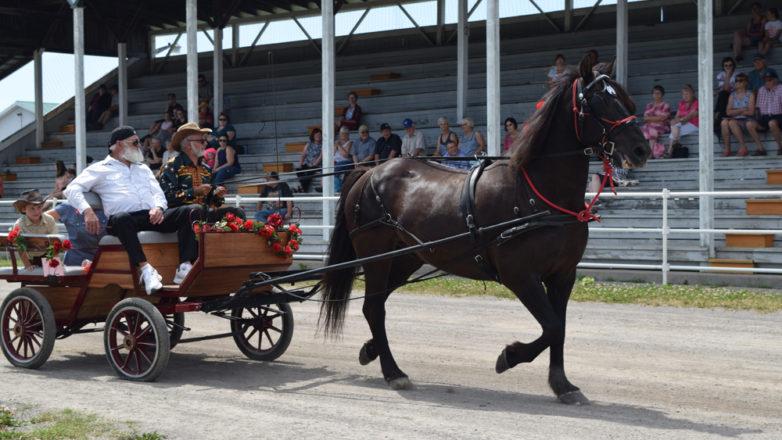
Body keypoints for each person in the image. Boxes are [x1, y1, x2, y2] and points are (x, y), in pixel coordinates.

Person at [64, 126, 202, 294]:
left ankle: (185, 265)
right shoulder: (100, 168)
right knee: (121, 218)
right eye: (135, 142)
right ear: (119, 145)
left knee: (193, 210)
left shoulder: (143, 168)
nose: (140, 146)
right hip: (123, 221)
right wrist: (87, 211)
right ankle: (145, 270)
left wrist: (158, 208)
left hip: (151, 217)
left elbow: (159, 194)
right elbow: (71, 189)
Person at [158, 123, 241, 222]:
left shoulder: (206, 169)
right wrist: (194, 191)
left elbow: (213, 203)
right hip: (180, 217)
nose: (205, 144)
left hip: (202, 214)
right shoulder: (171, 166)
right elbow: (167, 198)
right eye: (201, 141)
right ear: (188, 144)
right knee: (195, 210)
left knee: (237, 212)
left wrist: (217, 195)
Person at [47, 198, 108, 267]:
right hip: (75, 262)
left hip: (107, 261)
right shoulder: (69, 206)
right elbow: (42, 219)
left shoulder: (113, 204)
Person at [12, 190, 58, 270]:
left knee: (55, 276)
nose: (36, 211)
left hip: (49, 255)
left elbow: (54, 243)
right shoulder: (19, 224)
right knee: (33, 276)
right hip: (30, 258)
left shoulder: (49, 220)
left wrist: (52, 262)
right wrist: (27, 265)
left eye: (39, 207)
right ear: (23, 209)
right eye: (32, 208)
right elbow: (20, 247)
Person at [721, 73, 756, 157]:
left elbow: (751, 112)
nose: (738, 82)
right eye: (736, 80)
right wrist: (742, 109)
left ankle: (743, 147)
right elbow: (728, 112)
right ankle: (727, 149)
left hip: (747, 120)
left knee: (731, 122)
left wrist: (735, 111)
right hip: (736, 119)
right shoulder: (732, 95)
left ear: (746, 82)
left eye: (740, 80)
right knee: (723, 123)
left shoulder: (750, 94)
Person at [747, 71, 782, 155]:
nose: (767, 82)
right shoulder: (761, 90)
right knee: (749, 124)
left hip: (779, 116)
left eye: (769, 80)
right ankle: (761, 149)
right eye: (765, 80)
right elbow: (758, 107)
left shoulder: (781, 88)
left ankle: (781, 147)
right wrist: (757, 117)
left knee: (772, 123)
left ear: (775, 80)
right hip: (765, 117)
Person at [667, 84, 699, 158]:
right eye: (683, 94)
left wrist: (679, 120)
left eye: (687, 94)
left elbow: (690, 116)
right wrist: (675, 120)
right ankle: (675, 145)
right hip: (683, 124)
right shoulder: (681, 103)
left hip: (694, 125)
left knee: (673, 131)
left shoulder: (696, 103)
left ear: (692, 94)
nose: (685, 96)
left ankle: (670, 151)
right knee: (674, 125)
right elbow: (677, 115)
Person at [641, 86, 671, 159]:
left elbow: (663, 118)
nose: (656, 95)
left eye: (658, 93)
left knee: (651, 130)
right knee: (639, 131)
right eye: (654, 93)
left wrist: (650, 119)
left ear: (662, 94)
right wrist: (656, 119)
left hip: (662, 126)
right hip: (649, 126)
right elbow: (645, 118)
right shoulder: (649, 105)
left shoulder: (665, 105)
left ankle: (650, 154)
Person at [298, 128, 323, 193]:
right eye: (316, 135)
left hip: (316, 164)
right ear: (313, 136)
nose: (318, 137)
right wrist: (301, 164)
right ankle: (303, 188)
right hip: (307, 163)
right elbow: (303, 155)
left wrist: (314, 164)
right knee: (299, 170)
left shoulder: (323, 145)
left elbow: (321, 156)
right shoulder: (309, 143)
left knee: (309, 172)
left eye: (319, 135)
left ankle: (303, 189)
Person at [715, 57, 738, 124]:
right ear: (723, 66)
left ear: (733, 66)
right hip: (726, 95)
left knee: (723, 94)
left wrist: (727, 75)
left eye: (730, 65)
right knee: (723, 94)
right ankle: (719, 115)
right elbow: (724, 89)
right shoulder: (720, 75)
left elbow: (726, 89)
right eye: (726, 65)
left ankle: (718, 114)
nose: (728, 67)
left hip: (736, 95)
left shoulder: (737, 74)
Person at [334, 126, 354, 192]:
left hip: (346, 162)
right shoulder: (337, 143)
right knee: (326, 168)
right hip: (336, 162)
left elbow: (345, 155)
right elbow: (331, 154)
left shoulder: (350, 143)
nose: (342, 135)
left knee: (334, 169)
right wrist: (336, 146)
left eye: (344, 133)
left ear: (347, 134)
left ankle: (338, 189)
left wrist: (339, 146)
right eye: (341, 134)